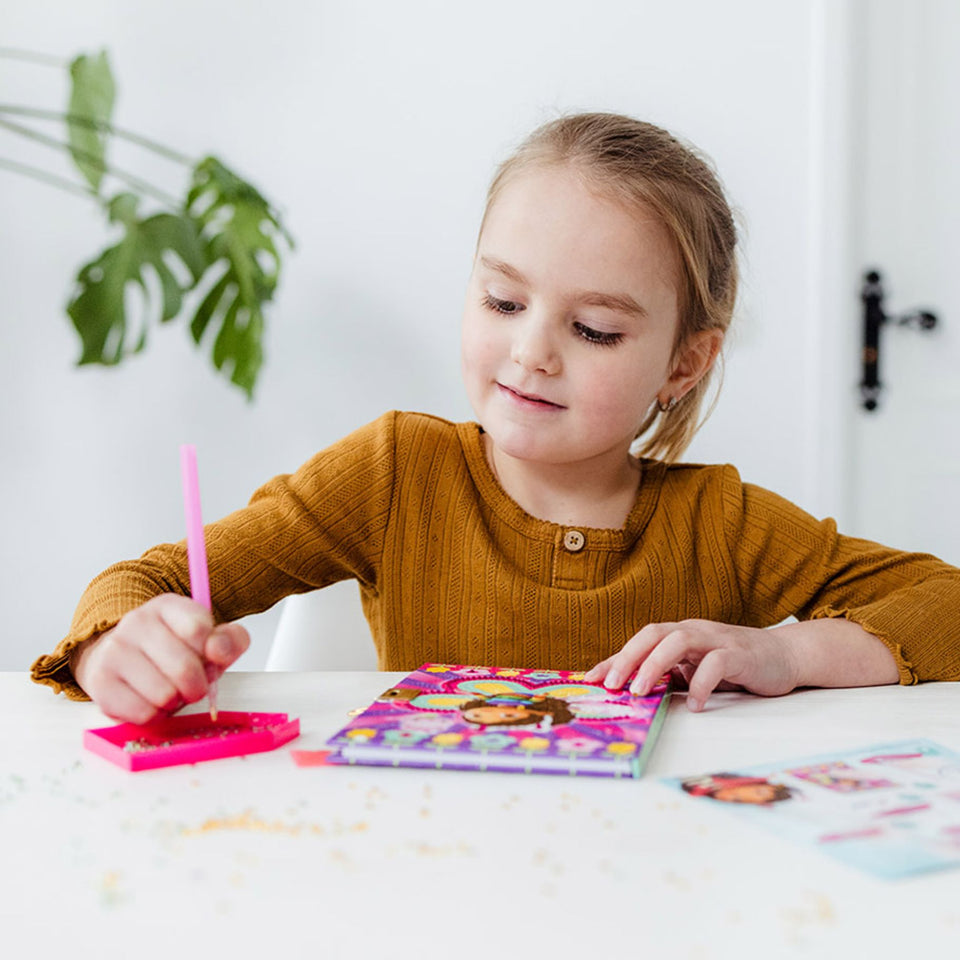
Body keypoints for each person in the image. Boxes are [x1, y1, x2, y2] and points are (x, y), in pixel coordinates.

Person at [31, 112, 960, 724]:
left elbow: (943, 602)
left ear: (683, 362)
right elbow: (143, 577)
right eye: (504, 303)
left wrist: (781, 650)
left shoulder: (722, 525)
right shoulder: (394, 474)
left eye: (594, 329)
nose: (532, 353)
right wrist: (126, 644)